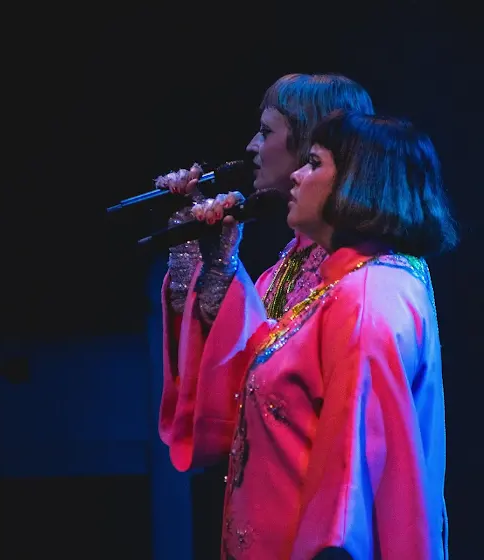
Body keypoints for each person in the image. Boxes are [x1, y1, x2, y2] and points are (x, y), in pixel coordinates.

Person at [159, 110, 458, 559]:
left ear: (359, 181)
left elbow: (351, 472)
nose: (297, 175)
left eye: (314, 163)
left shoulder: (368, 296)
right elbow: (258, 377)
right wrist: (210, 266)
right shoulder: (339, 285)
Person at [155, 74, 375, 557]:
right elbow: (228, 400)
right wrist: (196, 259)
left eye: (266, 131)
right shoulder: (278, 275)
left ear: (314, 143)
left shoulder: (365, 281)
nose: (252, 147)